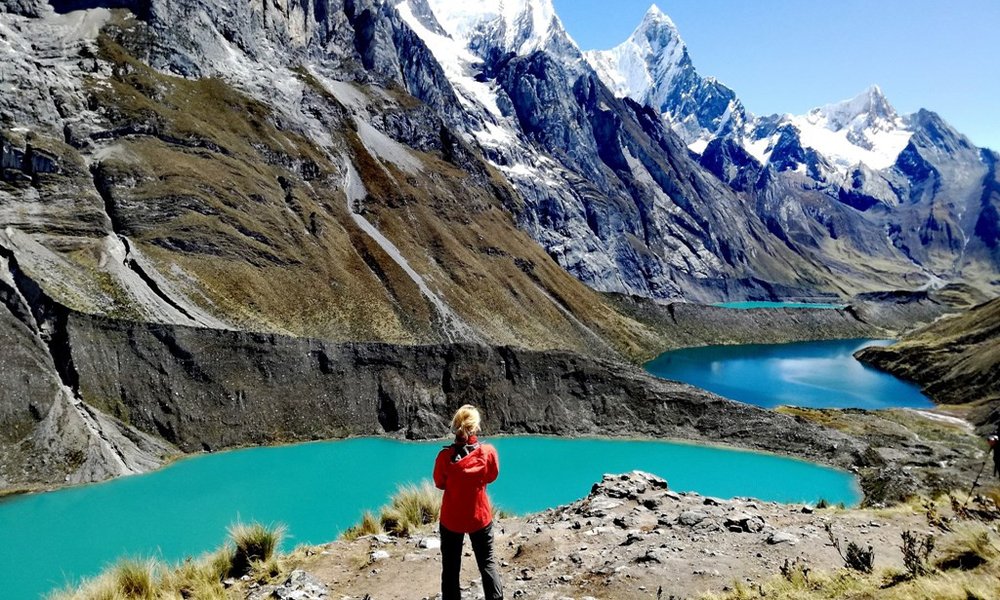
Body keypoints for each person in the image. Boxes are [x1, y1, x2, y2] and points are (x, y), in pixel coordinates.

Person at [433, 405, 503, 600]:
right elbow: (491, 476)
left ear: (456, 426)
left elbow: (439, 482)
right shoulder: (488, 453)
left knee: (451, 568)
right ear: (476, 427)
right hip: (479, 517)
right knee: (487, 563)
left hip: (451, 519)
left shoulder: (444, 457)